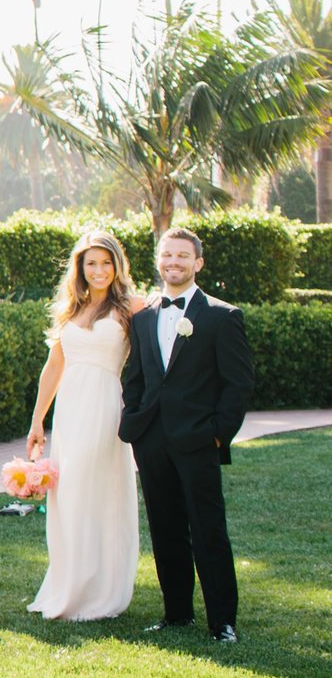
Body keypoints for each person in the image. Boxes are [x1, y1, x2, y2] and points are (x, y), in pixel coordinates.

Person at [120, 225, 252, 643]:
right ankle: (176, 612)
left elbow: (239, 383)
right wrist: (137, 421)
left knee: (207, 527)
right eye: (167, 255)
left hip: (199, 440)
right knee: (165, 526)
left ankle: (222, 621)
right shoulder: (142, 318)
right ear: (158, 261)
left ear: (197, 263)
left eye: (182, 256)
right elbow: (136, 376)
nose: (174, 263)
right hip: (152, 440)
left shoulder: (221, 315)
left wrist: (218, 434)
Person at [24, 231, 142, 622]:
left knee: (95, 491)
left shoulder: (132, 307)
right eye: (91, 263)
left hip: (106, 407)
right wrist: (38, 419)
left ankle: (102, 587)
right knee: (68, 495)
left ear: (117, 266)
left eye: (106, 262)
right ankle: (69, 583)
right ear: (80, 268)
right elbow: (54, 367)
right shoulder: (69, 310)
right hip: (71, 410)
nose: (99, 270)